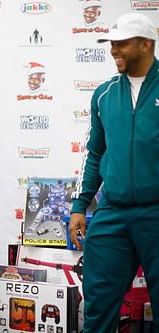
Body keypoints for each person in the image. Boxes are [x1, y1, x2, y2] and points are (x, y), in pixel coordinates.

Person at [68, 13, 159, 333]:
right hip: (113, 212)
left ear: (146, 44)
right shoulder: (104, 93)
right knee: (98, 302)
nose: (113, 50)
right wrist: (80, 204)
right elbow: (95, 153)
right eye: (112, 44)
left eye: (121, 43)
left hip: (156, 212)